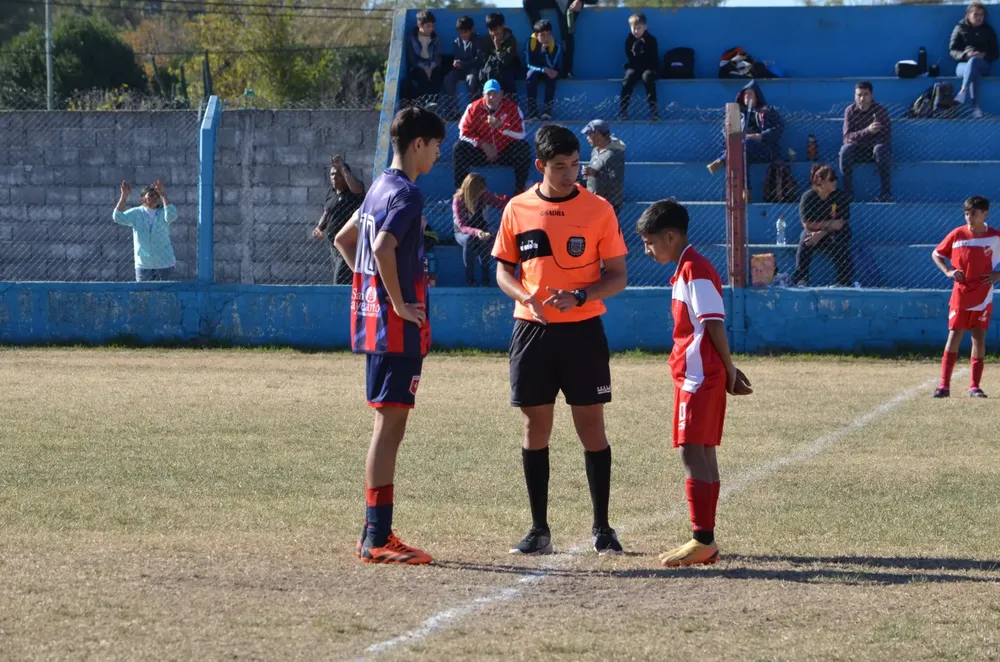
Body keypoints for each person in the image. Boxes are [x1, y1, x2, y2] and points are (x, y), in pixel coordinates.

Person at [491, 124, 629, 556]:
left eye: (574, 165)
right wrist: (525, 295)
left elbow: (618, 276)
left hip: (584, 332)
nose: (570, 174)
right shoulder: (517, 208)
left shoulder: (599, 209)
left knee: (591, 427)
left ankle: (603, 529)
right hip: (532, 331)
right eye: (559, 167)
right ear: (540, 166)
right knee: (536, 427)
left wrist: (582, 295)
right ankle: (538, 530)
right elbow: (503, 271)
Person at [331, 106, 446, 565]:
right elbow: (381, 246)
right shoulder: (408, 194)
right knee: (390, 426)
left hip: (376, 325)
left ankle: (371, 531)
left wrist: (380, 288)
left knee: (387, 423)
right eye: (436, 145)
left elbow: (345, 239)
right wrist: (398, 301)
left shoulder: (378, 186)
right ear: (417, 144)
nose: (439, 153)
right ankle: (377, 537)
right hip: (396, 329)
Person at [635, 198, 752, 567]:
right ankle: (706, 539)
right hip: (698, 374)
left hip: (699, 377)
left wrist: (729, 368)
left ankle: (703, 539)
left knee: (691, 451)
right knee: (703, 450)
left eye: (651, 241)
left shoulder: (695, 270)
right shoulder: (686, 268)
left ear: (671, 236)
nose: (647, 249)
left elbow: (713, 322)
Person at [931, 196, 1000, 398]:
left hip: (983, 296)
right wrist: (947, 272)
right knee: (954, 336)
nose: (970, 216)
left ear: (985, 213)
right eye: (967, 213)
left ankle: (974, 386)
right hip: (961, 295)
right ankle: (944, 386)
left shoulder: (995, 237)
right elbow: (937, 253)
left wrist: (998, 275)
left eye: (975, 212)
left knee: (978, 338)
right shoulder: (958, 234)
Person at [454, 79, 531, 193]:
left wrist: (502, 127)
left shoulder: (512, 108)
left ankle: (519, 191)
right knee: (459, 148)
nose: (491, 97)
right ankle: (463, 192)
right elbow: (463, 133)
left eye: (495, 94)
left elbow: (521, 134)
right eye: (488, 94)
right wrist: (483, 144)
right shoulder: (473, 108)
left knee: (523, 147)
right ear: (483, 95)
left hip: (504, 153)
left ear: (501, 95)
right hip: (481, 153)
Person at [792, 164, 853, 288]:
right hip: (813, 231)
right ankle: (801, 279)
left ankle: (844, 281)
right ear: (821, 181)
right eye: (831, 179)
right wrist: (829, 224)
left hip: (832, 232)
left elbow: (840, 223)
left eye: (836, 178)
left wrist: (821, 233)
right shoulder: (808, 197)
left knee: (841, 236)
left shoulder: (840, 196)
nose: (835, 181)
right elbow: (807, 224)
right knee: (805, 239)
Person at [707, 80, 783, 175]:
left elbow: (778, 128)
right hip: (743, 148)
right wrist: (736, 137)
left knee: (746, 143)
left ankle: (722, 160)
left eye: (750, 94)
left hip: (764, 149)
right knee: (742, 155)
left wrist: (760, 136)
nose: (746, 96)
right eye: (745, 94)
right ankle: (746, 190)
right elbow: (726, 130)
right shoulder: (738, 114)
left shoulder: (767, 111)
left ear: (757, 97)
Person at [312, 155, 365, 285]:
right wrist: (319, 228)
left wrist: (342, 167)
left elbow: (356, 189)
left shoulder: (353, 192)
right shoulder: (331, 194)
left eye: (338, 174)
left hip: (349, 245)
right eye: (332, 175)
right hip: (334, 247)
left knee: (339, 280)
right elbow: (326, 212)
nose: (334, 177)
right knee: (346, 280)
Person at [113, 179, 178, 282]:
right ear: (142, 199)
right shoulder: (137, 213)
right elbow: (118, 217)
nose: (155, 197)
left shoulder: (163, 212)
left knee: (167, 295)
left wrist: (163, 195)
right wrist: (124, 196)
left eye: (157, 195)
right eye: (151, 195)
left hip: (165, 263)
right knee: (144, 295)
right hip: (143, 265)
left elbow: (171, 216)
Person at [840, 82, 892, 203]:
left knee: (880, 149)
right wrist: (867, 131)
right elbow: (847, 137)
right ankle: (848, 194)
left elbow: (886, 137)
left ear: (872, 95)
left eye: (865, 94)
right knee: (845, 150)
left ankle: (886, 194)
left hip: (875, 152)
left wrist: (865, 138)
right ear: (855, 96)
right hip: (857, 151)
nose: (862, 98)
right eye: (859, 95)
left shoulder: (881, 111)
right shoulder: (850, 111)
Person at [452, 173, 507, 286]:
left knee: (486, 241)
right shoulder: (458, 200)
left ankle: (486, 279)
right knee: (469, 239)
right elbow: (462, 226)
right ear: (472, 190)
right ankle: (470, 279)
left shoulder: (484, 195)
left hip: (482, 231)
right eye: (479, 190)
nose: (482, 192)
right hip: (463, 233)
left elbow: (501, 204)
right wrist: (477, 232)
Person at [949, 1, 998, 118]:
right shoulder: (960, 27)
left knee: (975, 63)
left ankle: (963, 92)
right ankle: (976, 108)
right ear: (968, 15)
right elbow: (952, 50)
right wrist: (965, 56)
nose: (979, 18)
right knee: (973, 68)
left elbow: (995, 52)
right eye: (976, 14)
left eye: (981, 15)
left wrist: (983, 56)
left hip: (983, 64)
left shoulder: (988, 30)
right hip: (963, 65)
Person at [522, 0, 592, 77]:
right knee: (528, 2)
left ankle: (567, 71)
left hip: (570, 3)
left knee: (567, 31)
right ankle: (540, 60)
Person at [442, 15, 483, 121]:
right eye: (461, 32)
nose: (463, 35)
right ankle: (453, 111)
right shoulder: (456, 42)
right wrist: (456, 63)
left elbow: (478, 60)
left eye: (466, 32)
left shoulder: (478, 40)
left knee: (472, 80)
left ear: (471, 30)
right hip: (460, 70)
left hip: (472, 69)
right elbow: (457, 57)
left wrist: (463, 64)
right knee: (448, 79)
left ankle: (474, 111)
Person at [581, 119, 626, 215]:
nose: (587, 137)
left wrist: (595, 173)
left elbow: (616, 180)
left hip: (608, 204)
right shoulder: (595, 151)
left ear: (598, 134)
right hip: (593, 201)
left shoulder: (614, 154)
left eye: (589, 134)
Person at [620, 13, 659, 121]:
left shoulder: (651, 40)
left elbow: (652, 58)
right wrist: (635, 52)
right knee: (628, 78)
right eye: (634, 28)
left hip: (649, 67)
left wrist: (641, 50)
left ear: (645, 27)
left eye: (639, 28)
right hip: (635, 66)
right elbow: (631, 57)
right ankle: (623, 110)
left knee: (647, 77)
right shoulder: (629, 40)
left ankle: (653, 110)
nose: (636, 31)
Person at [524, 19, 561, 121]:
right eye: (542, 35)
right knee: (530, 76)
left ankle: (547, 111)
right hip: (537, 70)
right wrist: (542, 69)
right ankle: (532, 112)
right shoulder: (529, 43)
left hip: (551, 70)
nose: (546, 38)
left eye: (548, 34)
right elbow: (528, 64)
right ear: (536, 35)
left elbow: (552, 65)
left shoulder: (556, 46)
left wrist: (545, 52)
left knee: (552, 78)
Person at [405, 9, 442, 104]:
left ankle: (433, 103)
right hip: (418, 67)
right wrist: (425, 67)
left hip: (432, 67)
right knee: (417, 78)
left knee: (438, 76)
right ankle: (425, 103)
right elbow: (412, 59)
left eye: (432, 26)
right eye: (428, 26)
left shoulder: (435, 38)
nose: (431, 29)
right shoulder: (412, 38)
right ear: (419, 25)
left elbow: (437, 56)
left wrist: (431, 66)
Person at [481, 13, 519, 96]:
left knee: (508, 77)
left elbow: (505, 60)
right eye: (491, 30)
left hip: (509, 66)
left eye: (496, 29)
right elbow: (485, 58)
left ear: (502, 25)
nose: (494, 32)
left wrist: (498, 46)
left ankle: (511, 104)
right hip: (494, 68)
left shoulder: (511, 40)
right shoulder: (487, 39)